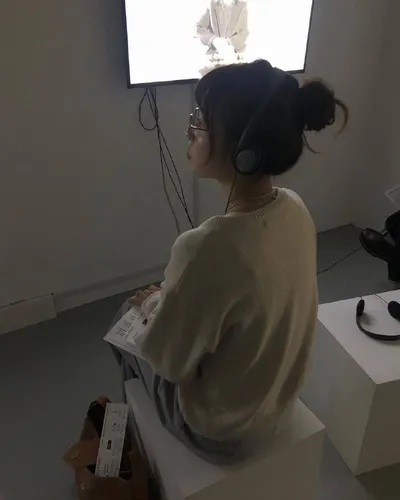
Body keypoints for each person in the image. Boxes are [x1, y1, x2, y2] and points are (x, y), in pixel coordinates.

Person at [111, 60, 348, 464]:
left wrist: (151, 306)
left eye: (200, 122)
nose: (189, 131)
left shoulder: (204, 248)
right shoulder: (295, 208)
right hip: (280, 404)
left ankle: (133, 456)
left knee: (123, 318)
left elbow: (168, 361)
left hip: (222, 434)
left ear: (243, 151)